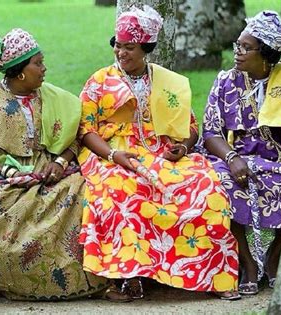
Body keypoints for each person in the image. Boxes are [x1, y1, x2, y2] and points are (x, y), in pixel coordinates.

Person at [78, 5, 240, 302]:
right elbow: (86, 130)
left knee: (205, 187)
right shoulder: (99, 81)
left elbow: (190, 126)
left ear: (146, 48)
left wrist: (185, 147)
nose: (121, 52)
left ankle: (213, 275)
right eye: (118, 45)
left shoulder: (169, 83)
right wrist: (115, 156)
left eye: (130, 47)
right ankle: (129, 277)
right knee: (123, 190)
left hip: (164, 155)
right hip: (113, 155)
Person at [0, 28, 108, 301]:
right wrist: (7, 171)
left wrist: (61, 162)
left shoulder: (55, 99)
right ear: (20, 72)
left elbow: (76, 138)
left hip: (49, 170)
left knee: (84, 192)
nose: (44, 68)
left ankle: (76, 278)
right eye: (38, 63)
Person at [201, 11, 281, 295]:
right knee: (220, 182)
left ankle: (273, 257)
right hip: (234, 157)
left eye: (246, 48)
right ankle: (246, 261)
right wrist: (233, 158)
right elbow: (210, 132)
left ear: (267, 54)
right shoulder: (225, 82)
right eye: (237, 46)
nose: (238, 53)